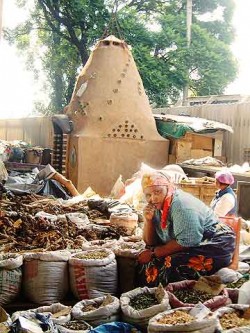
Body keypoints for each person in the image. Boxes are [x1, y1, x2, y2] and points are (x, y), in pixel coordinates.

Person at [137, 170, 236, 287]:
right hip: (194, 241)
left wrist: (153, 254)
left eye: (157, 192)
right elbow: (150, 242)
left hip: (216, 242)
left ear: (168, 188)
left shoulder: (181, 205)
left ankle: (168, 299)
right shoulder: (157, 206)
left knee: (170, 266)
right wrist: (149, 221)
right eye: (148, 195)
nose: (153, 198)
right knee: (145, 260)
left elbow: (187, 241)